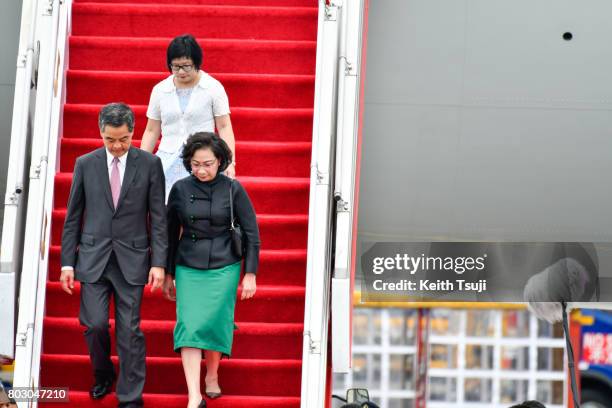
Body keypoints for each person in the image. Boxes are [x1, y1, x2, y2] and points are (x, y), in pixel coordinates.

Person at [59, 103, 168, 407]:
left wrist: (159, 263)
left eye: (124, 139)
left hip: (132, 259)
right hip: (92, 259)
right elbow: (73, 217)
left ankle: (130, 397)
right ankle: (103, 374)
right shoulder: (85, 163)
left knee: (129, 329)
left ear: (133, 132)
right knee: (94, 324)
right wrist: (67, 262)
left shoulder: (149, 164)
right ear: (100, 133)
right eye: (111, 140)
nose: (118, 146)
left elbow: (158, 217)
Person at [163, 132, 259, 408]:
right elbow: (170, 234)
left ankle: (213, 374)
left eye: (207, 163)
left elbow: (252, 233)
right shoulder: (180, 189)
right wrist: (169, 273)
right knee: (190, 326)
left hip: (225, 263)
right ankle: (194, 396)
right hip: (189, 264)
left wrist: (249, 274)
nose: (201, 170)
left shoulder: (233, 189)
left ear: (220, 161)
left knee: (215, 322)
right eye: (195, 164)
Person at [141, 33, 237, 200]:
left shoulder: (212, 88)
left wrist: (230, 162)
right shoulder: (160, 90)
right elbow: (151, 130)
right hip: (167, 158)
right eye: (175, 66)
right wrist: (141, 163)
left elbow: (224, 126)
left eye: (186, 66)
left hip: (201, 160)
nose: (181, 72)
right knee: (165, 209)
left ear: (197, 63)